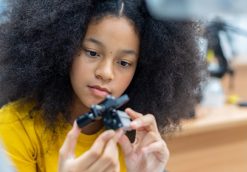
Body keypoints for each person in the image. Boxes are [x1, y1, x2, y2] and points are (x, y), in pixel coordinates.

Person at [0, 0, 204, 171]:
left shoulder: (134, 140)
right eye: (92, 52)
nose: (105, 73)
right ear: (63, 47)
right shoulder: (14, 128)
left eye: (124, 63)